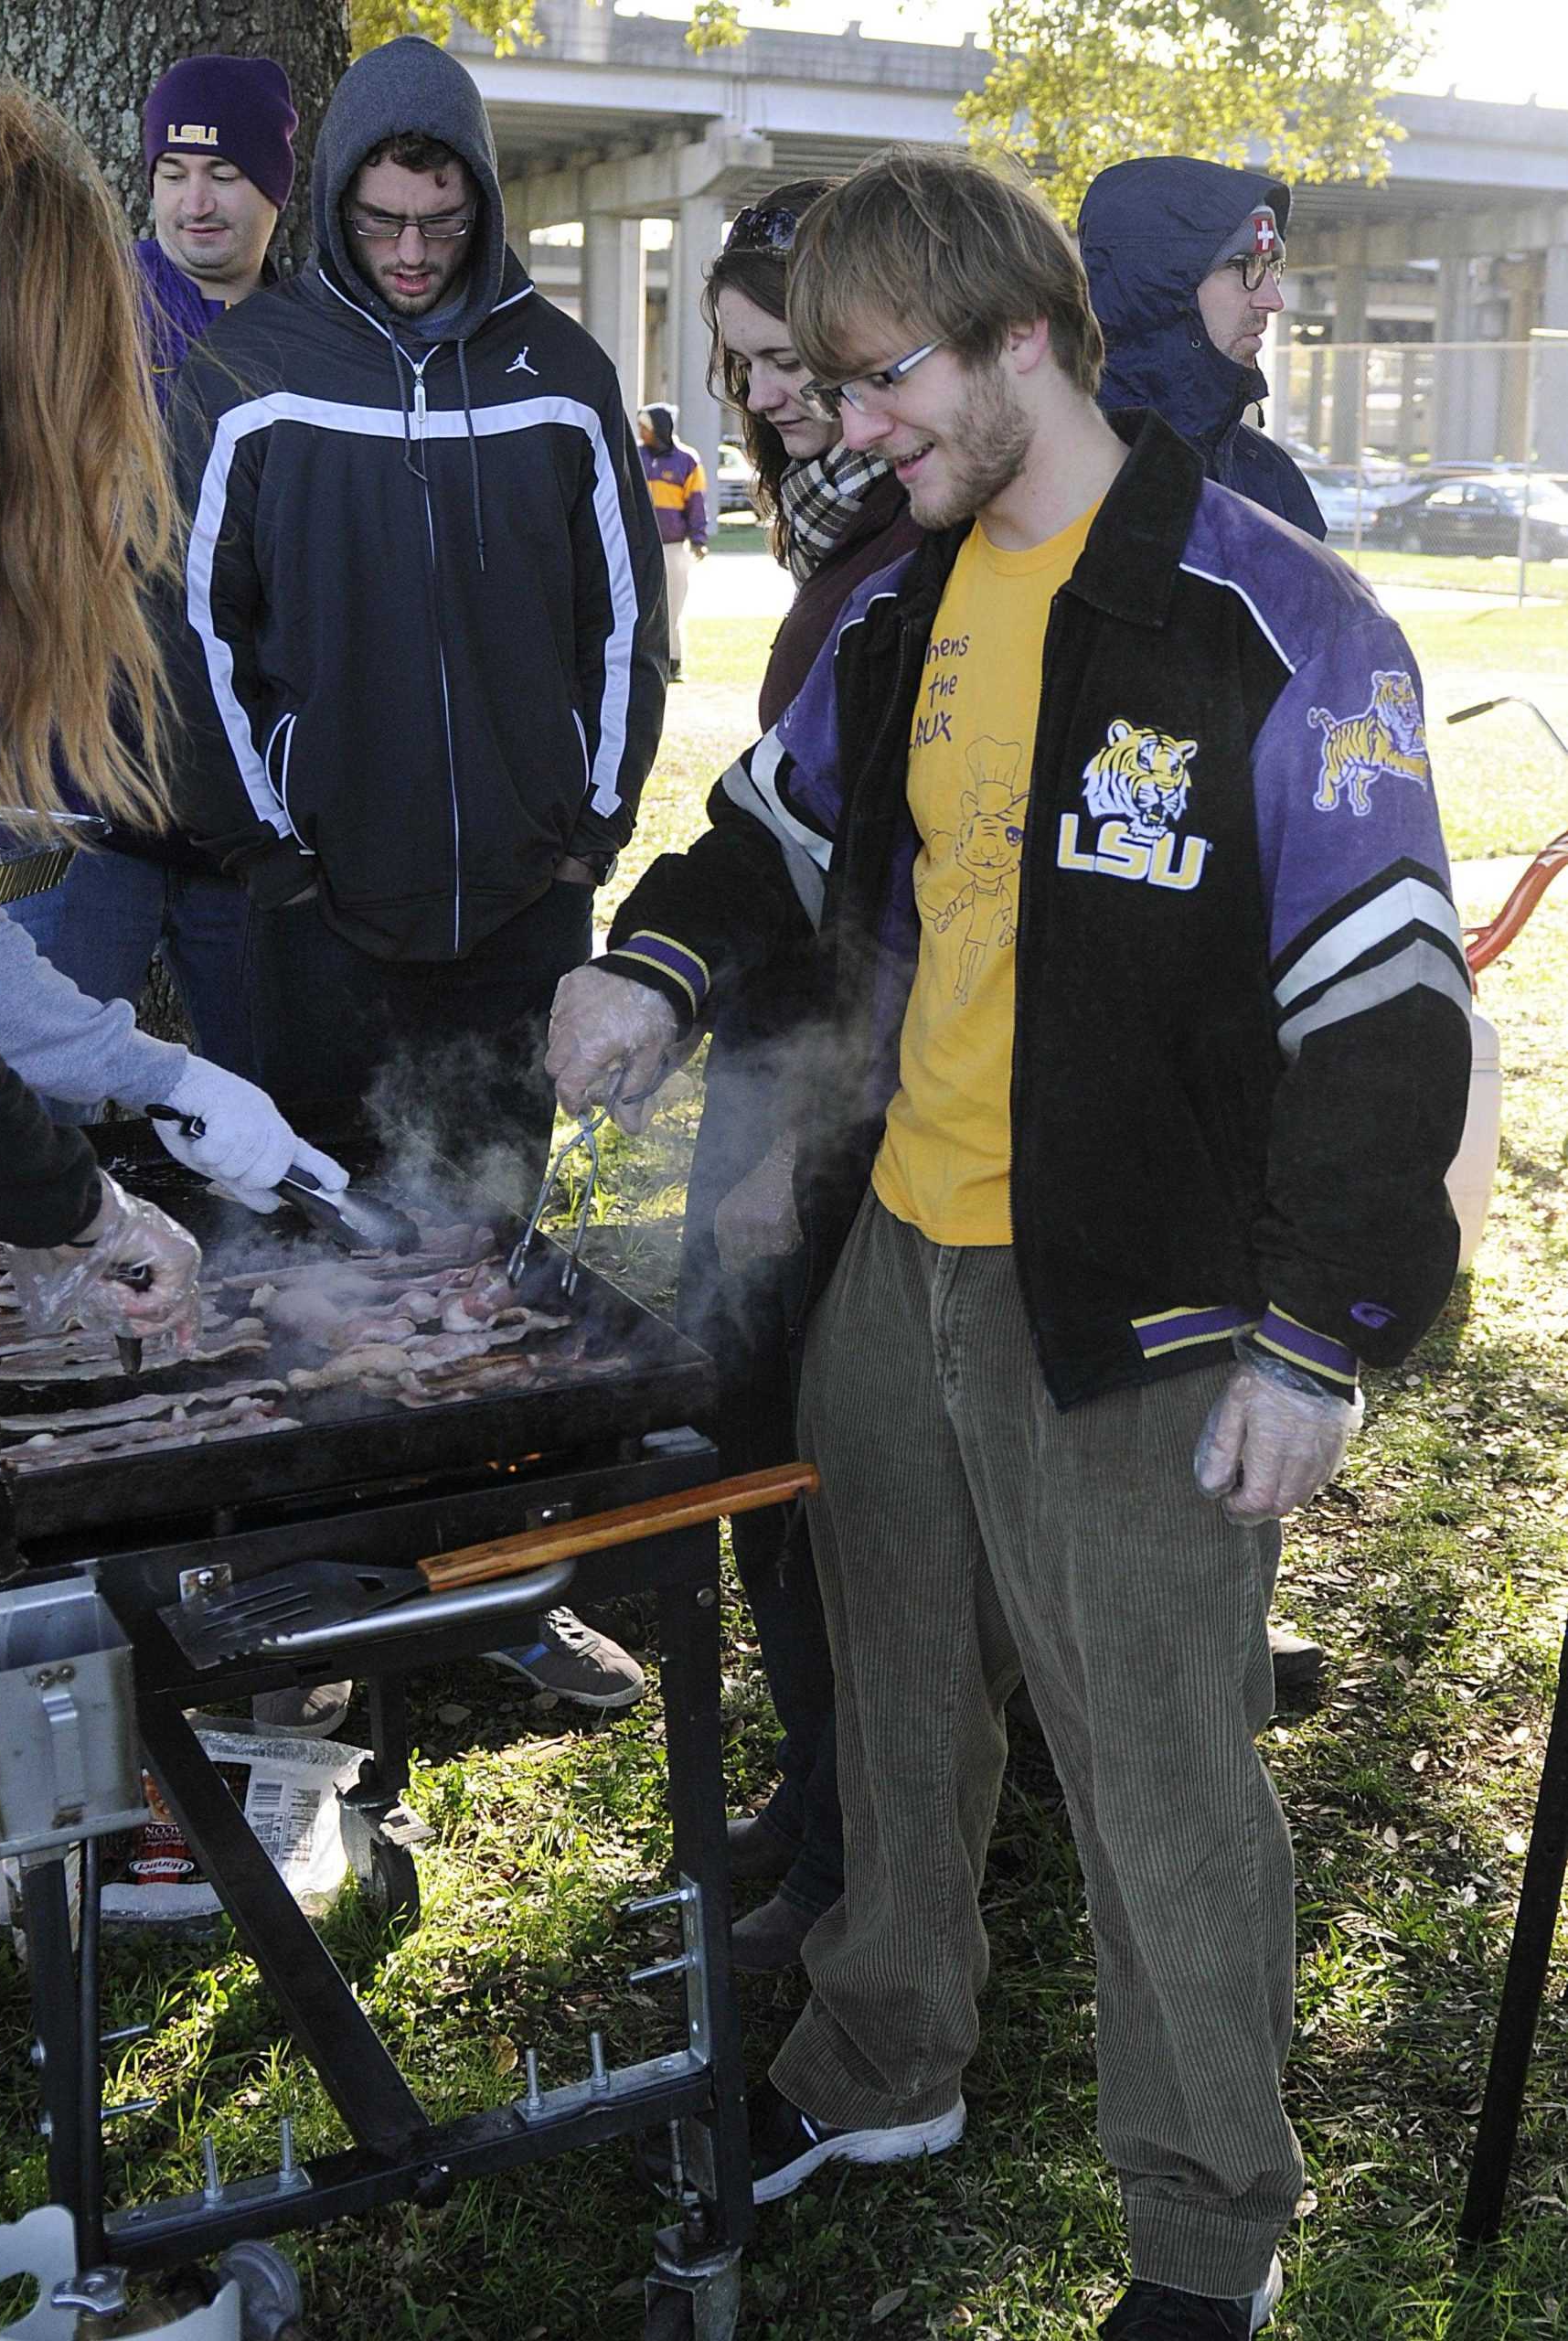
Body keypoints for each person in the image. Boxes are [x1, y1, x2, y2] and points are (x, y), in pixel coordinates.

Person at [545, 149, 1472, 2334]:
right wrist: (652, 976)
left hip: (1149, 1311)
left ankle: (1206, 2224)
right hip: (908, 1259)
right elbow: (766, 833)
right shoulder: (905, 596)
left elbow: (1390, 1009)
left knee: (1155, 1764)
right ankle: (884, 2062)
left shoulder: (1269, 616)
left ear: (1021, 339)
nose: (841, 428)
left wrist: (1320, 1341)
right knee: (891, 1696)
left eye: (879, 383)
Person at [164, 35, 667, 1714]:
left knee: (492, 1261)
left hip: (527, 903)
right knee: (324, 1261)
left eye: (439, 222)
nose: (408, 250)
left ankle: (500, 1601)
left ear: (483, 204)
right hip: (318, 907)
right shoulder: (250, 370)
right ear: (336, 200)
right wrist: (268, 849)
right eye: (380, 218)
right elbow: (188, 639)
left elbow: (626, 623)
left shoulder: (562, 371)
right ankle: (334, 1606)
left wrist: (591, 830)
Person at [0, 80, 344, 1357]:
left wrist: (168, 1081)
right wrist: (76, 1206)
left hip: (228, 831)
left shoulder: (311, 339)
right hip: (87, 823)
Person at [685, 182, 921, 1973]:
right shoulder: (833, 533)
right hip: (781, 1064)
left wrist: (788, 1138)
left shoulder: (906, 553)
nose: (764, 399)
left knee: (828, 1473)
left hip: (840, 1088)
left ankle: (851, 1845)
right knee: (760, 1446)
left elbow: (878, 906)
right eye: (739, 365)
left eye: (789, 361)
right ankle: (811, 1796)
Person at [1080, 158, 1330, 1697]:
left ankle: (1221, 1618)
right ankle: (1080, 1657)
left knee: (1233, 1307)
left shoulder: (1276, 484)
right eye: (1253, 272)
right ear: (1178, 288)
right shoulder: (1073, 467)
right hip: (1100, 995)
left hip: (1244, 1000)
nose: (1277, 299)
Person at [5, 56, 301, 1119]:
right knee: (41, 1093)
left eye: (222, 171)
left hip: (245, 823)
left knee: (256, 1096)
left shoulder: (312, 341)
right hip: (78, 803)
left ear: (277, 185)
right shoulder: (86, 309)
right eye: (171, 170)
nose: (194, 199)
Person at [1078, 158, 1326, 542]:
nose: (1272, 299)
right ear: (1156, 283)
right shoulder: (1057, 473)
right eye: (1243, 264)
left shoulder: (1271, 478)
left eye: (1271, 266)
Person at [636, 403, 708, 681]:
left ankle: (674, 662)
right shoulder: (635, 456)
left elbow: (697, 502)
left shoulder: (687, 460)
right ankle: (647, 662)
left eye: (645, 427)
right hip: (642, 546)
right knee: (645, 606)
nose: (641, 432)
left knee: (674, 604)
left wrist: (698, 538)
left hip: (674, 546)